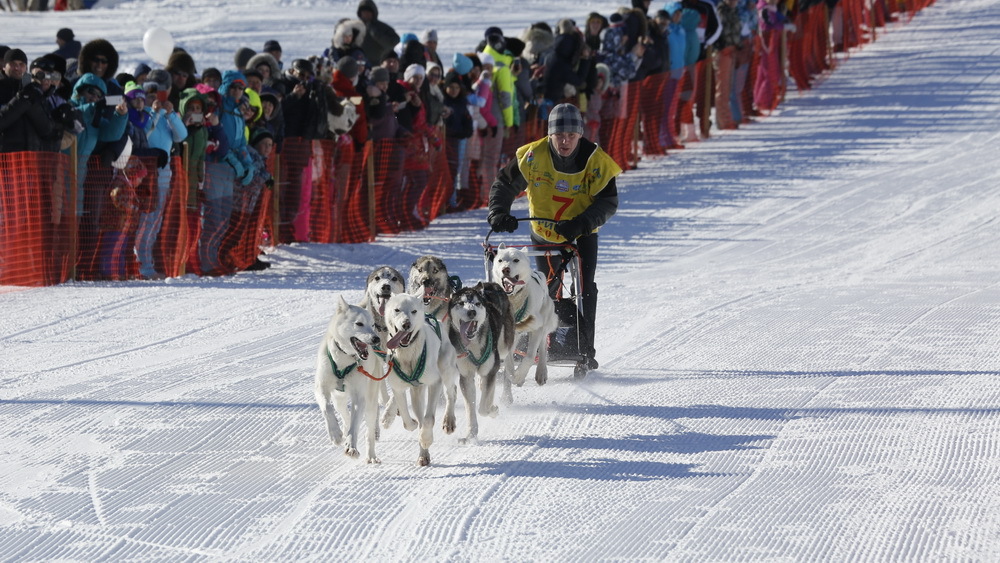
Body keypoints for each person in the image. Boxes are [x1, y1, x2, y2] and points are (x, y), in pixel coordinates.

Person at [487, 103, 620, 372]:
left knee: (584, 289)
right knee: (545, 289)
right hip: (544, 234)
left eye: (571, 135)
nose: (565, 141)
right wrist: (499, 211)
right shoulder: (532, 155)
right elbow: (504, 183)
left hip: (580, 234)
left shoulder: (595, 159)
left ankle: (584, 348)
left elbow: (608, 202)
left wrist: (581, 223)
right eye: (559, 135)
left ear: (580, 135)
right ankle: (544, 343)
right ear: (550, 135)